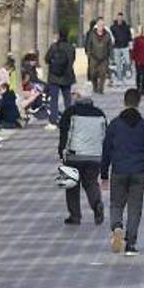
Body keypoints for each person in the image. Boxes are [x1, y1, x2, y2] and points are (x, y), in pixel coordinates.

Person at [100, 89, 144, 256]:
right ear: (139, 102)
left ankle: (117, 226)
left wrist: (104, 174)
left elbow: (106, 150)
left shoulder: (115, 125)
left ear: (124, 102)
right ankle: (131, 244)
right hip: (139, 171)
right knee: (135, 208)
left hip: (119, 170)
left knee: (116, 204)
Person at [57, 88, 107, 226]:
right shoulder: (99, 114)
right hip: (94, 156)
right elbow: (104, 135)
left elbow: (64, 133)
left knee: (71, 185)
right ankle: (97, 204)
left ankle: (75, 216)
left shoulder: (70, 112)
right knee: (91, 183)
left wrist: (61, 151)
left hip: (73, 155)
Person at [43, 31, 76, 128]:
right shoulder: (71, 47)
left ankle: (53, 120)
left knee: (54, 99)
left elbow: (46, 59)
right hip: (67, 76)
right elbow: (72, 60)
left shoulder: (54, 47)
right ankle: (69, 119)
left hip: (54, 77)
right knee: (67, 99)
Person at [84, 18, 114, 94]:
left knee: (102, 73)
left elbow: (110, 46)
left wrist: (110, 55)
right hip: (93, 57)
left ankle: (101, 89)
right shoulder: (92, 34)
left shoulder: (107, 35)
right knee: (93, 73)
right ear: (97, 25)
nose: (101, 26)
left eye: (102, 25)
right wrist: (89, 53)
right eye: (100, 25)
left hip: (104, 57)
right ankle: (95, 86)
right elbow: (88, 44)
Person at [109, 13, 133, 86]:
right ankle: (119, 78)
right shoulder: (113, 27)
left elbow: (129, 36)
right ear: (117, 18)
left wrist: (130, 43)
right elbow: (111, 37)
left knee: (127, 61)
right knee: (118, 63)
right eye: (118, 17)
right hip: (116, 47)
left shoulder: (126, 26)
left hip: (125, 46)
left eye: (121, 18)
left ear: (122, 18)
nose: (119, 19)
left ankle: (126, 72)